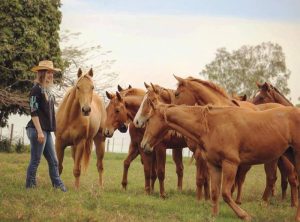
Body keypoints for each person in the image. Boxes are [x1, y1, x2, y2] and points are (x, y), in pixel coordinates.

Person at [25, 60, 66, 192]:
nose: (51, 75)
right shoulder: (36, 89)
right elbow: (33, 111)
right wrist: (39, 132)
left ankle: (58, 187)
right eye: (48, 72)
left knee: (54, 161)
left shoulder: (48, 91)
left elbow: (50, 114)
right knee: (36, 160)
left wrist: (53, 130)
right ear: (41, 73)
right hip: (37, 129)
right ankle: (30, 187)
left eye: (52, 73)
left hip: (46, 131)